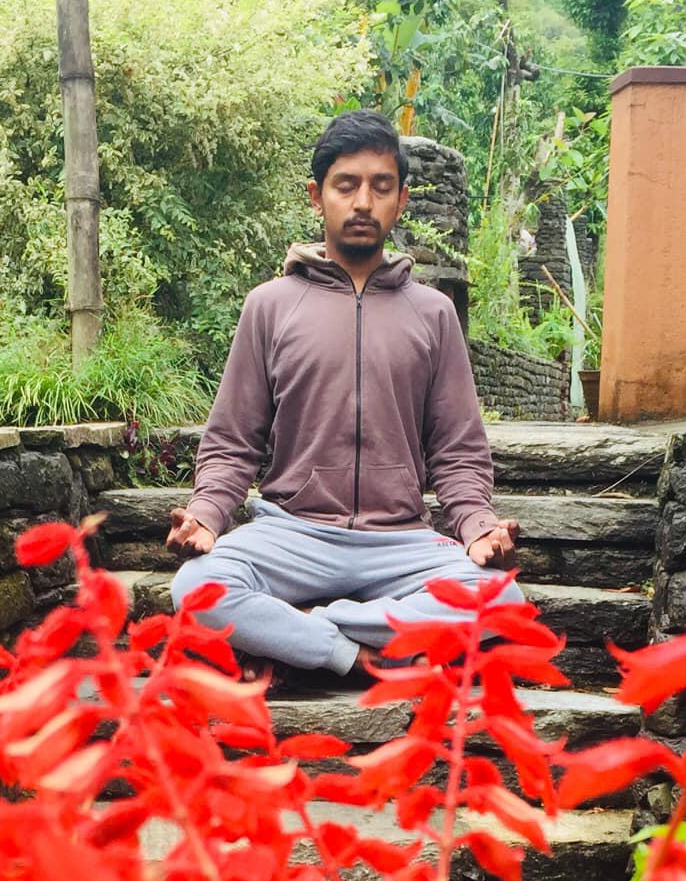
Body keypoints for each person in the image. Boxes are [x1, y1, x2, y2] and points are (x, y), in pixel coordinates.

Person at [168, 109, 520, 677]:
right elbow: (233, 440)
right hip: (292, 534)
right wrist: (207, 515)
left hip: (400, 543)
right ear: (317, 196)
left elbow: (457, 448)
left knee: (503, 600)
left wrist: (477, 526)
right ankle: (352, 655)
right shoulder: (270, 306)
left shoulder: (432, 313)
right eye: (346, 185)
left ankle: (307, 627)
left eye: (381, 187)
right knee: (196, 588)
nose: (363, 202)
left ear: (401, 201)